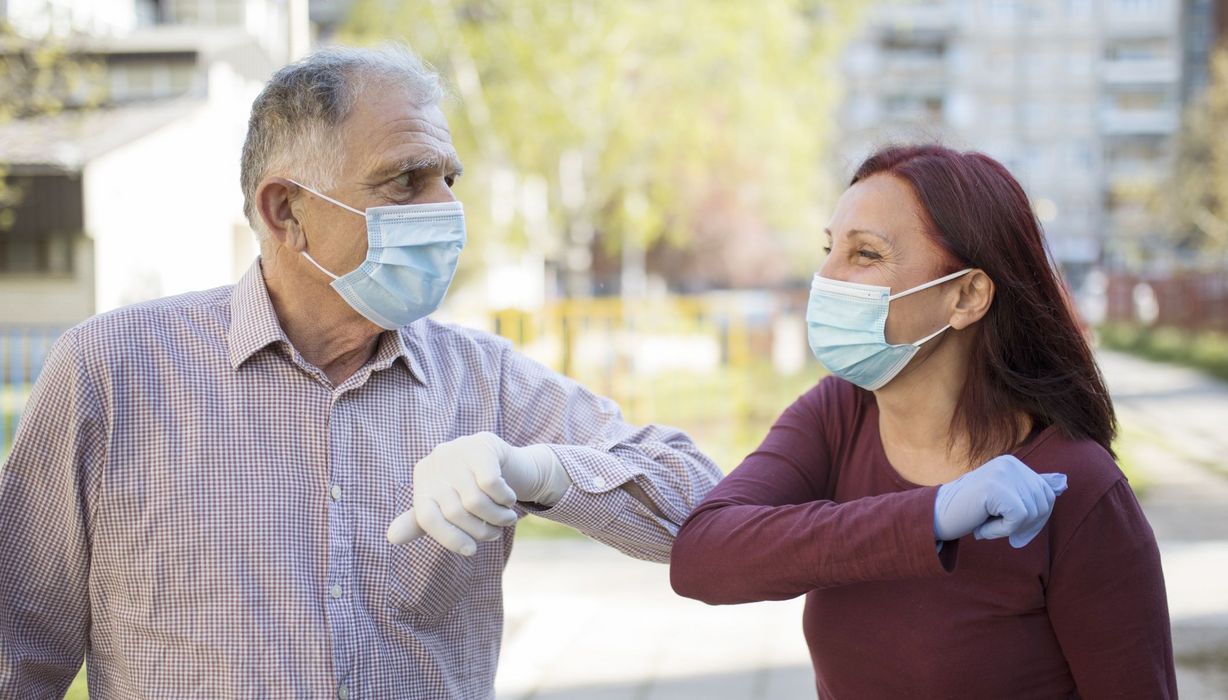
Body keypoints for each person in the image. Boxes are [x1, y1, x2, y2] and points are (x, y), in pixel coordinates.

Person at [0, 45, 721, 698]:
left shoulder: (482, 380)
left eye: (448, 178)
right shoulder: (113, 373)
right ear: (286, 211)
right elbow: (17, 649)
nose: (446, 209)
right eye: (405, 181)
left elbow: (705, 509)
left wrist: (538, 470)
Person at [670, 144, 1176, 698]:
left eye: (865, 254)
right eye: (828, 248)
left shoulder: (1078, 487)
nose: (825, 278)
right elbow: (703, 556)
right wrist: (929, 517)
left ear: (966, 296)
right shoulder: (837, 414)